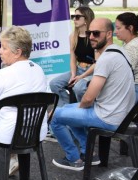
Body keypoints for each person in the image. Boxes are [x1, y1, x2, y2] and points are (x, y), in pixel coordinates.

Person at [51, 18, 135, 171]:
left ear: (109, 34)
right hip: (120, 114)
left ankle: (73, 159)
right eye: (89, 33)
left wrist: (80, 108)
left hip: (109, 117)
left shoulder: (106, 58)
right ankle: (88, 152)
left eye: (96, 33)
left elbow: (89, 98)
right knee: (68, 109)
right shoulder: (119, 50)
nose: (91, 37)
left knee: (54, 116)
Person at [0, 26, 48, 180]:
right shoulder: (39, 70)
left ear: (17, 52)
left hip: (8, 134)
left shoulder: (5, 73)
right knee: (5, 115)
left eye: (3, 48)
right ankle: (12, 160)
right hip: (36, 133)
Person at [49, 7, 96, 106]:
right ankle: (67, 108)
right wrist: (74, 74)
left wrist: (81, 76)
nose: (74, 19)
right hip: (79, 69)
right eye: (73, 16)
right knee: (54, 84)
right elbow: (73, 58)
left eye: (77, 17)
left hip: (92, 70)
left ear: (86, 18)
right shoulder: (73, 36)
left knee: (78, 87)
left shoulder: (93, 36)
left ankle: (82, 111)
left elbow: (98, 62)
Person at [115, 12, 138, 101]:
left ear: (130, 28)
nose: (115, 32)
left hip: (134, 88)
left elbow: (122, 73)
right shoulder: (127, 43)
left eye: (118, 28)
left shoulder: (132, 47)